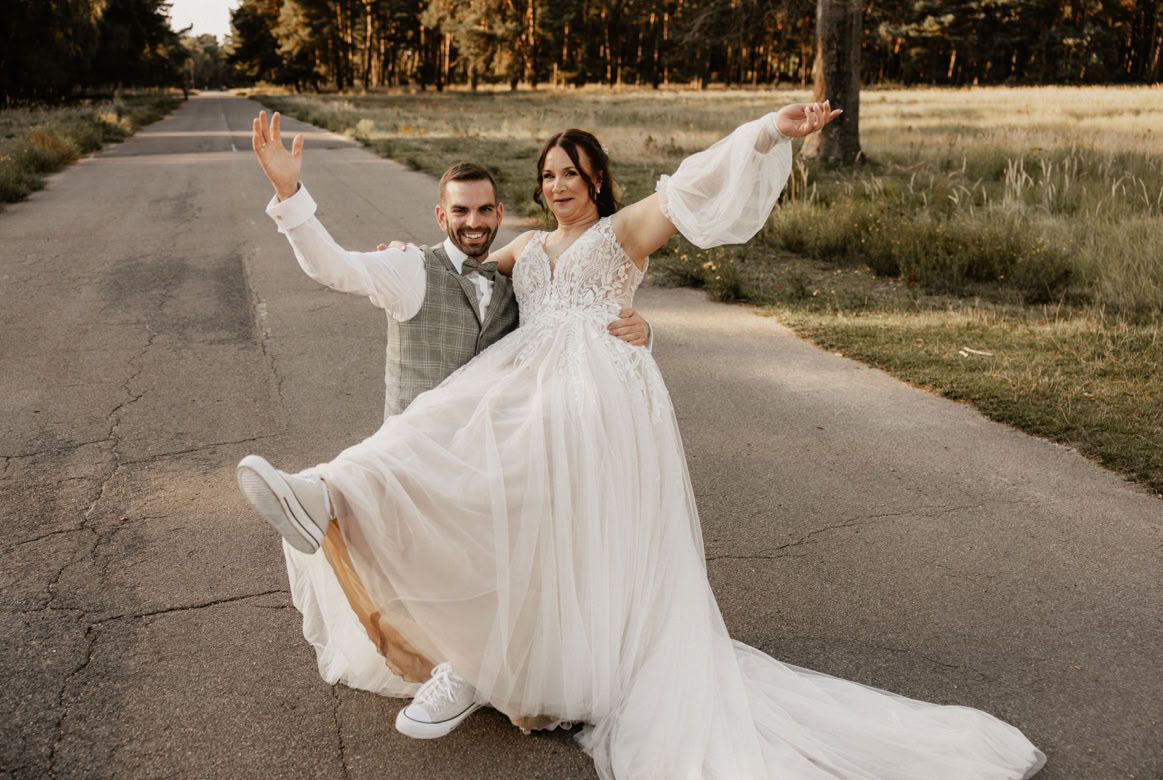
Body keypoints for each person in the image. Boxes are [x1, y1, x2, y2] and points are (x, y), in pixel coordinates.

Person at [238, 102, 1046, 779]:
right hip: (526, 377)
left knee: (555, 515)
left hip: (597, 390)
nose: (558, 185)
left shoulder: (624, 231)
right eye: (549, 174)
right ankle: (338, 505)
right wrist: (390, 254)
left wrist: (768, 130)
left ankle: (528, 658)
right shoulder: (525, 246)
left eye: (572, 173)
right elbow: (464, 270)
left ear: (597, 181)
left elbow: (692, 185)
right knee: (452, 444)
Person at [248, 112, 652, 728]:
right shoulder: (410, 267)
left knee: (510, 547)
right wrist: (288, 194)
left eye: (485, 211)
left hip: (494, 440)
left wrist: (646, 327)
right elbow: (331, 266)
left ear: (500, 215)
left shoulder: (518, 270)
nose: (473, 222)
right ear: (441, 217)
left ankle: (476, 668)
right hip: (424, 446)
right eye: (460, 212)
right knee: (436, 550)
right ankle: (322, 494)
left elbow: (578, 317)